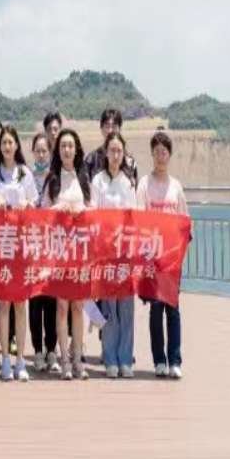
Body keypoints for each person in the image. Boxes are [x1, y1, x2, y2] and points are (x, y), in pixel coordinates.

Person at [137, 130, 188, 380]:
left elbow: (184, 220)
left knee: (173, 308)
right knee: (156, 309)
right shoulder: (144, 184)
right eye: (156, 151)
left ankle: (175, 360)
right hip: (151, 257)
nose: (160, 155)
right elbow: (138, 217)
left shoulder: (176, 186)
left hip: (171, 259)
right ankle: (159, 360)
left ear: (169, 155)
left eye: (164, 151)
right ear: (152, 154)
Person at [0, 125, 36, 382]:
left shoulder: (25, 173)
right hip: (1, 245)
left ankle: (21, 360)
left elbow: (34, 205)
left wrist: (28, 204)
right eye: (4, 142)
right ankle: (5, 357)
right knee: (4, 303)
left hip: (22, 246)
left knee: (21, 304)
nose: (7, 146)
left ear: (17, 145)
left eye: (11, 142)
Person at [43, 129, 92, 381]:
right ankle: (64, 360)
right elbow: (42, 214)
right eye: (63, 146)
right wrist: (57, 208)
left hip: (80, 251)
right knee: (62, 306)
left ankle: (78, 359)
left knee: (78, 306)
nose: (67, 150)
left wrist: (82, 211)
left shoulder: (83, 178)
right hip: (59, 251)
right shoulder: (52, 179)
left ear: (77, 149)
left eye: (71, 145)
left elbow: (94, 210)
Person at [92, 132, 138, 379]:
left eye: (119, 151)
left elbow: (134, 216)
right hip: (106, 252)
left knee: (126, 307)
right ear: (106, 152)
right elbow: (94, 214)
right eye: (112, 150)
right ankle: (110, 357)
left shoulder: (128, 182)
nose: (116, 155)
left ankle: (125, 359)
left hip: (125, 252)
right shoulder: (98, 181)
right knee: (109, 307)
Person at [29, 132, 57, 372]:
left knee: (52, 301)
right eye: (37, 151)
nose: (40, 154)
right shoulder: (26, 176)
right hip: (31, 248)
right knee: (34, 302)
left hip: (52, 247)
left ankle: (51, 350)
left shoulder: (55, 177)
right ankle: (37, 351)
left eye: (44, 151)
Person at [85, 108, 139, 184]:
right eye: (107, 126)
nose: (110, 130)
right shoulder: (91, 159)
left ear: (120, 129)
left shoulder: (129, 161)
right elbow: (86, 186)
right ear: (101, 129)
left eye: (114, 126)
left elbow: (134, 187)